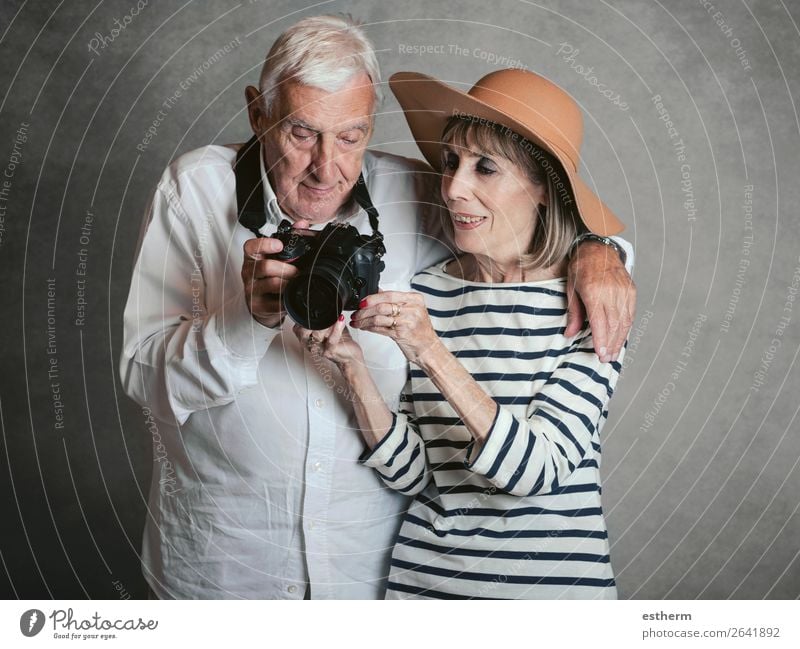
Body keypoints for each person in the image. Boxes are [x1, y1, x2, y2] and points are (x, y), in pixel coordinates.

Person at [120, 15, 635, 599]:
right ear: (257, 114)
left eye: (351, 136)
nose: (327, 166)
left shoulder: (419, 194)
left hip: (368, 577)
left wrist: (601, 249)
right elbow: (142, 377)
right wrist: (250, 318)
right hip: (229, 564)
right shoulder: (194, 191)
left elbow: (522, 219)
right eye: (300, 133)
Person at [301, 68, 626, 599]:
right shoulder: (430, 292)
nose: (453, 188)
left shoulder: (592, 302)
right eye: (451, 161)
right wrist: (353, 369)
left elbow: (535, 471)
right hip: (423, 592)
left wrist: (431, 351)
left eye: (486, 168)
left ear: (544, 187)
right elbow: (413, 476)